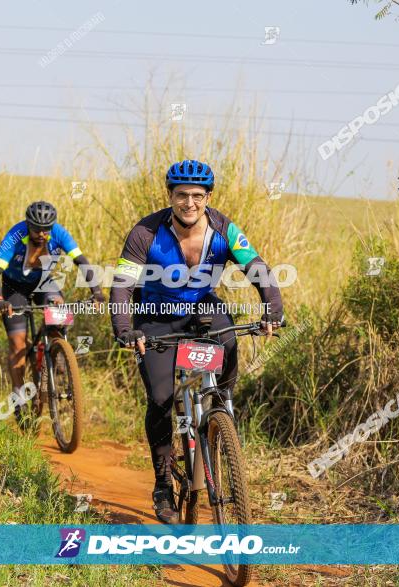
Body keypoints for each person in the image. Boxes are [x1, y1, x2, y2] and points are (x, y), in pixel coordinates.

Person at [110, 159, 283, 524]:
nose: (190, 203)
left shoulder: (224, 229)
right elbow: (123, 284)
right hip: (155, 317)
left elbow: (258, 269)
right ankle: (162, 484)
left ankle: (219, 411)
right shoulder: (145, 232)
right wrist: (125, 327)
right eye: (182, 195)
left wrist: (272, 310)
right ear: (170, 196)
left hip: (203, 308)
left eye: (197, 196)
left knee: (231, 342)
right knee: (159, 397)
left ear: (208, 197)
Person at [0, 201, 106, 427]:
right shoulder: (15, 235)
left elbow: (81, 261)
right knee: (17, 342)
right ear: (28, 225)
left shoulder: (59, 233)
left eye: (46, 229)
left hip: (44, 282)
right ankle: (18, 394)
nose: (42, 234)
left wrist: (97, 292)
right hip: (14, 288)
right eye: (36, 229)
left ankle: (56, 351)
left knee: (59, 309)